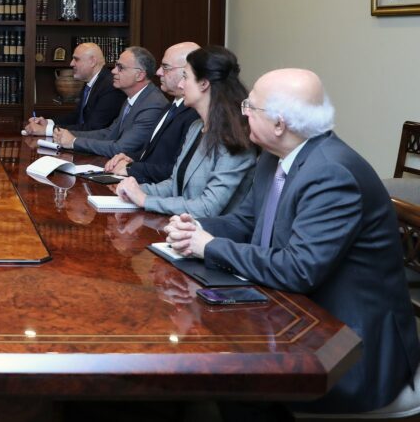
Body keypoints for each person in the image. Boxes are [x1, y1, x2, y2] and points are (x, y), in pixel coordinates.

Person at [165, 68, 420, 415]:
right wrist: (194, 227)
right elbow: (246, 222)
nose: (243, 113)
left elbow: (299, 269)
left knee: (233, 377)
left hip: (349, 347)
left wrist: (208, 246)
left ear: (279, 123)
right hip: (296, 313)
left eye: (249, 107)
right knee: (215, 354)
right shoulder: (275, 157)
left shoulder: (331, 174)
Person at [115, 46, 256, 217]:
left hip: (209, 231)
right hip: (181, 225)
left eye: (186, 77)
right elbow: (174, 184)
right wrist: (136, 190)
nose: (181, 84)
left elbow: (208, 207)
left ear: (204, 83)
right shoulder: (196, 127)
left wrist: (145, 200)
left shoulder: (234, 136)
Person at [103, 42, 200, 182]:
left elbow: (177, 169)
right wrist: (130, 157)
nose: (158, 72)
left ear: (188, 71)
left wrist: (131, 168)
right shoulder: (170, 107)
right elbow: (153, 154)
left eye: (165, 67)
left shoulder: (195, 114)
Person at [53, 46, 167, 157]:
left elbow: (121, 148)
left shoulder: (152, 105)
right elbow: (108, 133)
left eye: (120, 67)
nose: (113, 71)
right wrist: (67, 134)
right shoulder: (132, 98)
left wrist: (74, 141)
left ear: (139, 75)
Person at [24, 42, 125, 136]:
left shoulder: (110, 86)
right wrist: (48, 122)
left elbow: (93, 128)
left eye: (76, 59)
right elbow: (77, 116)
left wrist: (47, 130)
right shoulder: (91, 82)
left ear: (92, 62)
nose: (71, 64)